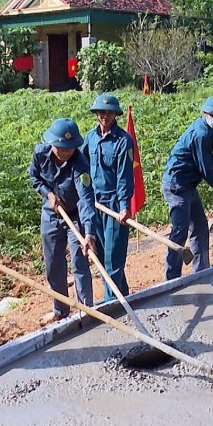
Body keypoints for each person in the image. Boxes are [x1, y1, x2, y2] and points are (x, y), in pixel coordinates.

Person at [29, 119, 98, 324]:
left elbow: (86, 198)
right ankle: (60, 309)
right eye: (61, 149)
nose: (66, 152)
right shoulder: (40, 154)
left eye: (70, 149)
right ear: (52, 144)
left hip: (75, 215)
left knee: (79, 260)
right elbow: (34, 178)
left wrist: (89, 234)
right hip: (51, 215)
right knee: (53, 263)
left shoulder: (80, 163)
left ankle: (86, 310)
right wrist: (47, 194)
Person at [162, 96, 213, 280]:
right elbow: (205, 169)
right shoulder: (201, 133)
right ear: (206, 114)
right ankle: (171, 278)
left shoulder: (208, 130)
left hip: (188, 184)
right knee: (180, 231)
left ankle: (201, 271)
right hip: (177, 185)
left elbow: (208, 161)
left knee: (200, 227)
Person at [83, 93, 134, 301]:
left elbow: (124, 177)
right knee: (102, 256)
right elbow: (82, 167)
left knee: (114, 257)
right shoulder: (90, 138)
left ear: (115, 115)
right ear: (96, 114)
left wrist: (123, 206)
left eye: (109, 113)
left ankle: (111, 303)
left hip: (113, 206)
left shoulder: (123, 141)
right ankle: (122, 296)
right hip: (95, 203)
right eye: (101, 112)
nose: (104, 116)